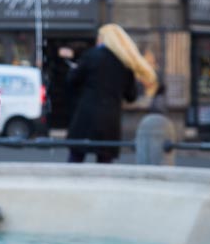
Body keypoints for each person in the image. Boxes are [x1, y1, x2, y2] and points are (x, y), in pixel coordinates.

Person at [66, 23, 157, 163]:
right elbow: (131, 96)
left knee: (76, 159)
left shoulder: (91, 56)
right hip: (110, 120)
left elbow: (72, 81)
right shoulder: (125, 62)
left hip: (86, 116)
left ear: (103, 39)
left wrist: (75, 69)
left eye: (98, 37)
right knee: (105, 164)